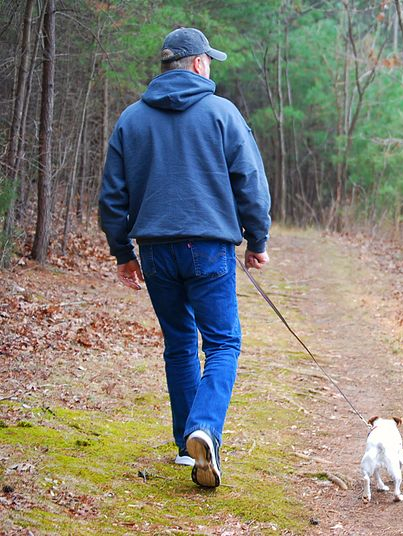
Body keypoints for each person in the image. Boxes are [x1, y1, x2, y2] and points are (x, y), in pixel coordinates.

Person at [98, 27, 271, 488]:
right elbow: (249, 180)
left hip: (154, 251)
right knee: (222, 344)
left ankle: (185, 448)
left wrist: (122, 252)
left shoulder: (131, 119)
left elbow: (112, 196)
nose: (210, 66)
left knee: (179, 343)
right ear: (197, 64)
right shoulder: (222, 113)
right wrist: (257, 240)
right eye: (208, 60)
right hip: (208, 248)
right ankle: (205, 430)